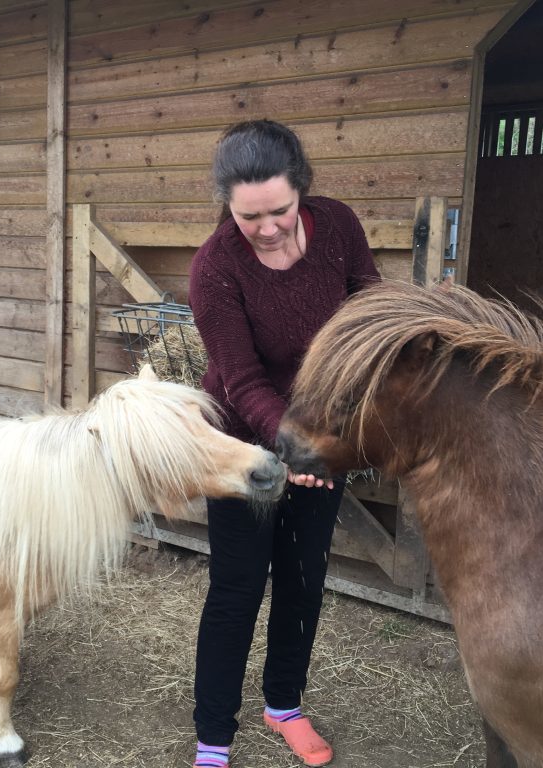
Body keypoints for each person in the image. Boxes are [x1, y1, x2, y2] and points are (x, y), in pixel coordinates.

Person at [187, 119, 380, 768]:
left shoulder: (340, 228)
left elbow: (368, 305)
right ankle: (213, 738)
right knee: (238, 590)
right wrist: (291, 451)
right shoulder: (215, 268)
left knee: (304, 578)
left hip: (318, 436)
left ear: (302, 189)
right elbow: (240, 383)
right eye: (249, 217)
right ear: (227, 205)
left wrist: (338, 424)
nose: (267, 228)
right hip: (243, 448)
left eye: (280, 211)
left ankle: (283, 705)